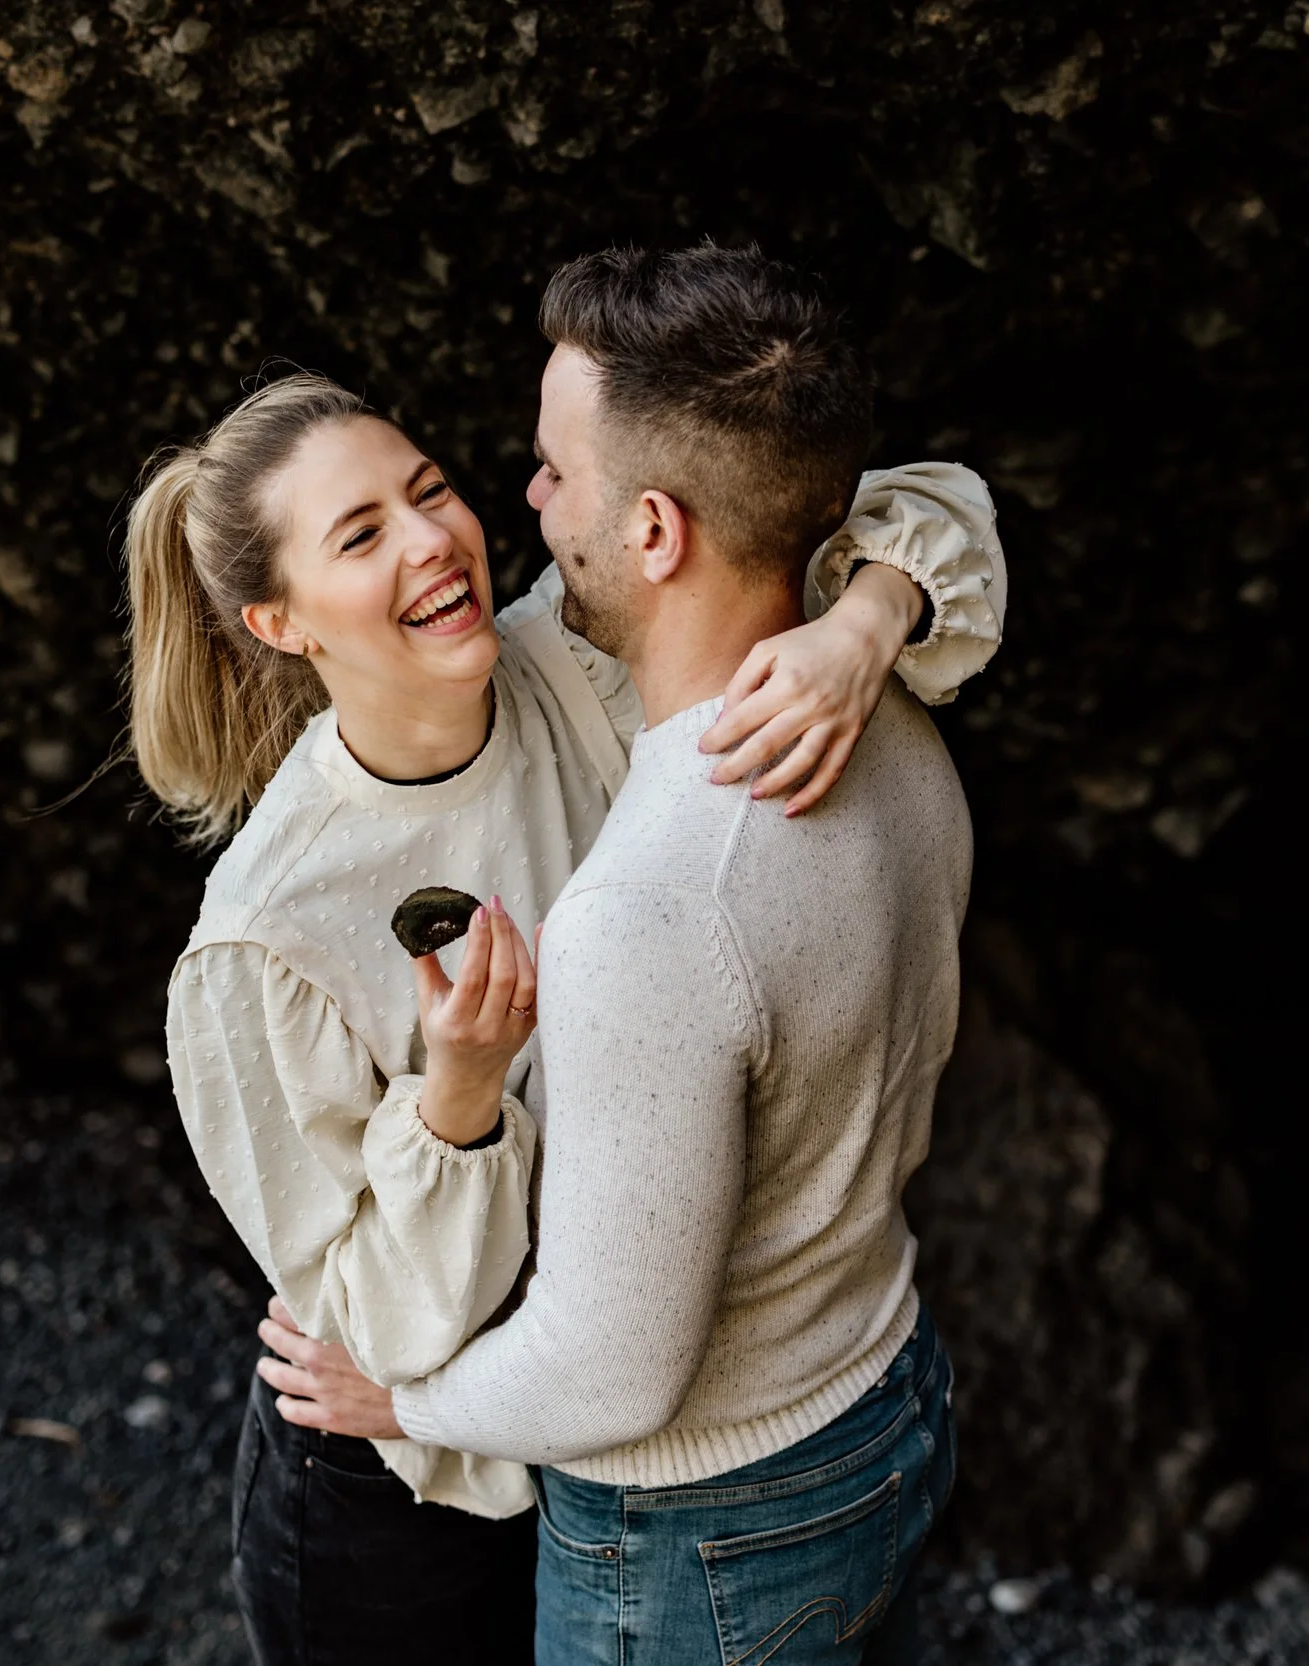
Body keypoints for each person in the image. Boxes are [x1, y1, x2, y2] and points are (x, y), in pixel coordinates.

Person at [124, 363, 1003, 1664]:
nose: (432, 538)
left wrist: (860, 625)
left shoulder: (573, 657)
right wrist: (458, 1095)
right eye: (363, 535)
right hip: (410, 1488)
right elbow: (375, 1327)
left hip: (612, 1441)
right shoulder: (261, 945)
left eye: (428, 490)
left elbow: (909, 505)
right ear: (279, 621)